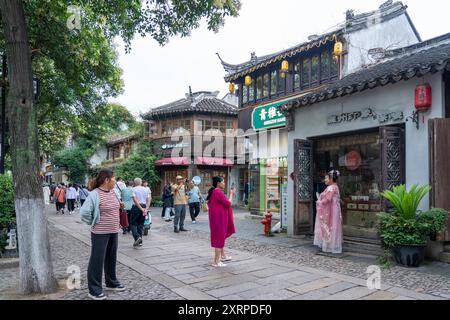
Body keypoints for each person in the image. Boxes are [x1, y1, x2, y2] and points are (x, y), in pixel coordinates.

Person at [80, 169, 126, 300]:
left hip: (113, 231)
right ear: (107, 180)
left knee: (111, 258)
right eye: (113, 179)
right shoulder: (95, 194)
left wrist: (120, 206)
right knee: (97, 260)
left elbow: (113, 206)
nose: (115, 181)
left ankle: (111, 282)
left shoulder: (113, 192)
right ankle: (94, 290)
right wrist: (94, 221)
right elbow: (84, 212)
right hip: (100, 233)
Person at [206, 176, 236, 267]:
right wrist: (231, 194)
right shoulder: (218, 192)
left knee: (219, 237)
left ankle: (221, 257)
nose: (224, 183)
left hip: (215, 219)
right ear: (218, 183)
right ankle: (216, 262)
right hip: (219, 219)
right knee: (219, 239)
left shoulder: (213, 191)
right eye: (223, 182)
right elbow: (228, 203)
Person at [313, 170, 343, 254]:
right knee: (332, 226)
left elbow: (328, 199)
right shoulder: (334, 186)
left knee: (329, 226)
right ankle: (331, 245)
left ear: (331, 178)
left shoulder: (331, 187)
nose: (325, 180)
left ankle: (329, 246)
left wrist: (319, 202)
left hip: (331, 211)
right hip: (334, 210)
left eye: (326, 178)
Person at [130, 178, 151, 248]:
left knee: (133, 224)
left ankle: (137, 237)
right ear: (141, 182)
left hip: (136, 207)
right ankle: (140, 242)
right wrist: (146, 209)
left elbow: (135, 200)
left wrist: (141, 208)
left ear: (134, 183)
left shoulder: (133, 189)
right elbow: (149, 199)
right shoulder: (146, 189)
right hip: (144, 206)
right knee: (140, 224)